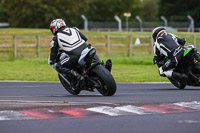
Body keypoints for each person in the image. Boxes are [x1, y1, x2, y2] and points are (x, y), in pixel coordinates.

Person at [49, 18, 87, 86]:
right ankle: (105, 66)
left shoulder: (55, 38)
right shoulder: (74, 29)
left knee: (59, 66)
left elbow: (53, 52)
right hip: (86, 49)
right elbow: (85, 38)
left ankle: (78, 76)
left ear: (55, 27)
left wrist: (52, 60)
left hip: (74, 55)